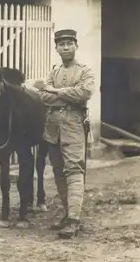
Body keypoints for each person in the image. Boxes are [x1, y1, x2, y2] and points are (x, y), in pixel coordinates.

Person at [35, 29, 95, 239]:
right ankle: (67, 213)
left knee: (74, 170)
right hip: (53, 128)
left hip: (74, 126)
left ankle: (74, 220)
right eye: (61, 44)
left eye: (69, 43)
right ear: (56, 48)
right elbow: (43, 96)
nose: (65, 47)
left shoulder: (85, 71)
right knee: (59, 171)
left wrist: (56, 92)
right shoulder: (54, 72)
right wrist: (64, 95)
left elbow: (85, 93)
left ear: (76, 46)